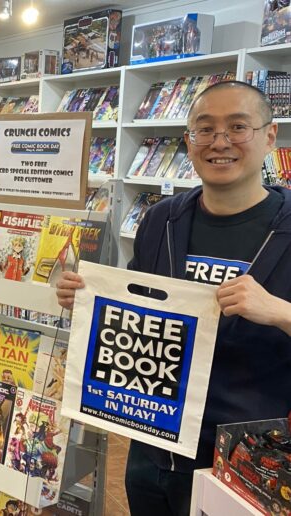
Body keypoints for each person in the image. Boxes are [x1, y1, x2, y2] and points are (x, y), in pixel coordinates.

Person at [56, 80, 291, 516]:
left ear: (269, 136)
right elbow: (135, 304)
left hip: (244, 461)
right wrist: (86, 299)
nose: (220, 143)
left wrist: (279, 312)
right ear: (189, 140)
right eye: (205, 129)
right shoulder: (162, 220)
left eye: (238, 127)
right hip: (152, 441)